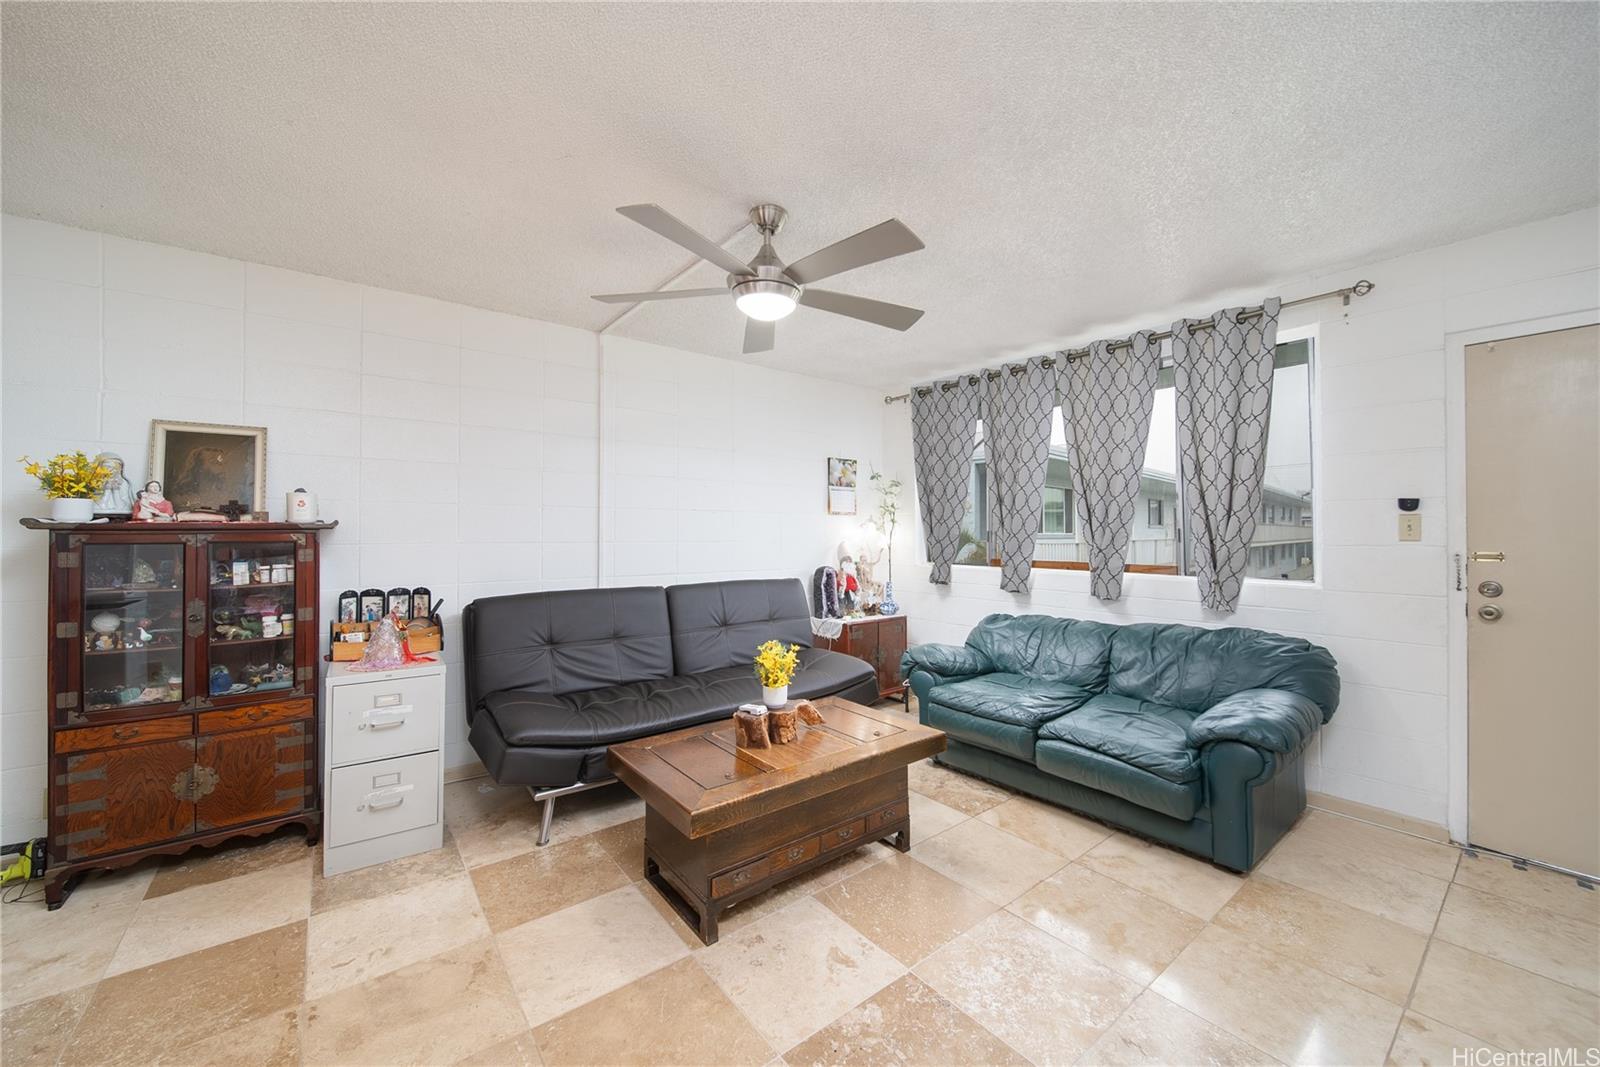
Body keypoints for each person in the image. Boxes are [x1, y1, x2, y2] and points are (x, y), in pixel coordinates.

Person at [93, 453, 134, 517]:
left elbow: (124, 507)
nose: (112, 470)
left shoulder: (124, 483)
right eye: (108, 467)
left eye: (116, 468)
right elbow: (97, 506)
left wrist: (116, 490)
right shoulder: (94, 483)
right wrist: (107, 489)